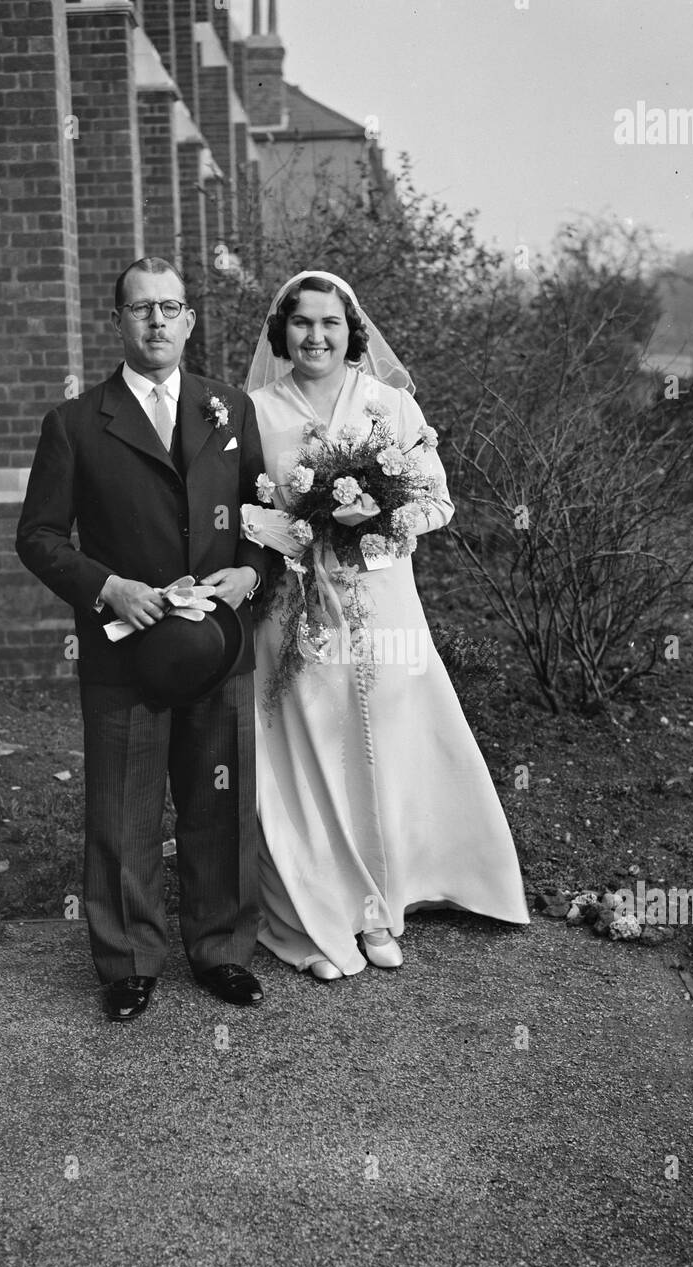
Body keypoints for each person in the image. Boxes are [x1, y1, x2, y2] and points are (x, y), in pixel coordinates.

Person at [243, 271, 529, 980]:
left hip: (380, 605)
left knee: (378, 746)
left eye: (329, 324)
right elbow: (234, 509)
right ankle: (320, 909)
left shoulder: (388, 405)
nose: (315, 336)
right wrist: (283, 526)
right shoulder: (252, 412)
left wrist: (373, 518)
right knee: (307, 753)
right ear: (282, 331)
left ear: (351, 332)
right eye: (301, 323)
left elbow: (435, 502)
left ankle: (382, 908)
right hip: (295, 608)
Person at [17, 256, 273, 1020]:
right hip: (124, 649)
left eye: (169, 308)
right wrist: (108, 586)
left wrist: (249, 576)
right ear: (118, 321)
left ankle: (223, 951)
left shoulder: (229, 409)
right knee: (123, 809)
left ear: (190, 320)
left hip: (216, 646)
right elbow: (36, 537)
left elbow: (262, 519)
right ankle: (128, 961)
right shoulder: (74, 423)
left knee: (220, 803)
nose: (156, 321)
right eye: (139, 309)